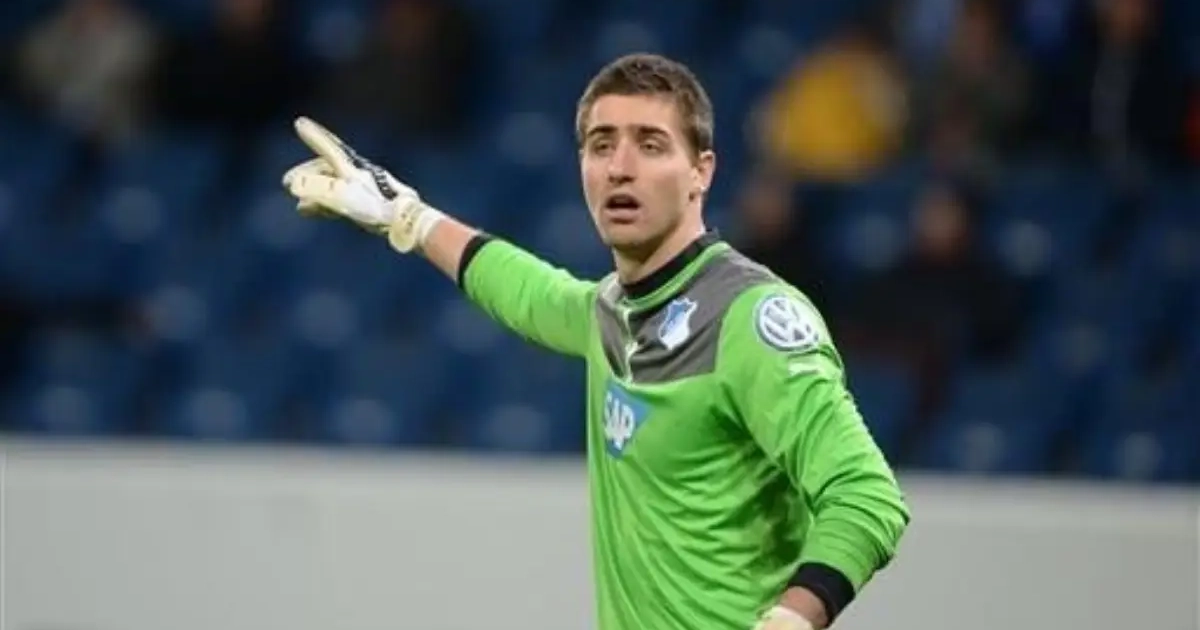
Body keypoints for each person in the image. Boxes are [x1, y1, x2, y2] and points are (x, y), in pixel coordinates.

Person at [282, 53, 910, 630]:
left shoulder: (749, 317)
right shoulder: (611, 311)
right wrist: (408, 217)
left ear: (701, 172)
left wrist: (792, 620)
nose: (620, 168)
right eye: (601, 144)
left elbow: (866, 495)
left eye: (650, 145)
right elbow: (529, 291)